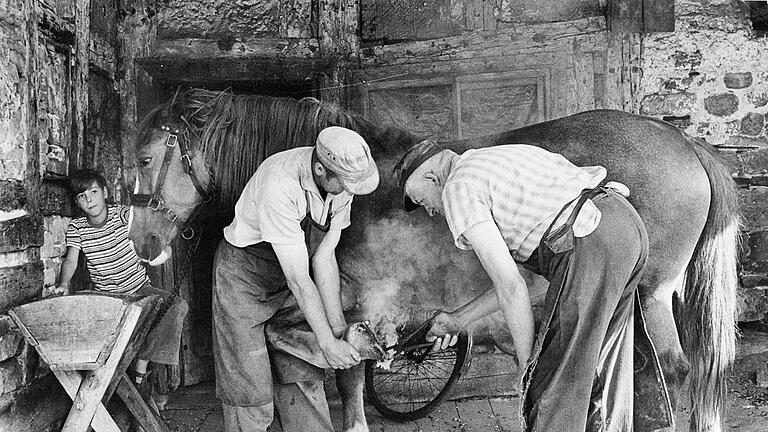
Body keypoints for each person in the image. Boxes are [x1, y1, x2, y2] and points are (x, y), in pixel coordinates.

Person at [393, 140, 670, 431]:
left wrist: (527, 366)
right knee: (605, 368)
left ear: (432, 178)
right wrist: (457, 320)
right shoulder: (490, 160)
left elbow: (511, 287)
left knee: (550, 387)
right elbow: (525, 281)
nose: (429, 211)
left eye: (422, 201)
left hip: (590, 241)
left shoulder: (456, 188)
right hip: (623, 225)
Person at [212, 126, 380, 432]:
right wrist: (327, 344)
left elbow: (324, 258)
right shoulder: (280, 184)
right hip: (245, 281)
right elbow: (301, 280)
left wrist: (338, 330)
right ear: (320, 168)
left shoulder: (341, 186)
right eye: (344, 183)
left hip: (289, 277)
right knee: (251, 398)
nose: (349, 191)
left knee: (302, 371)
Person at [55, 168, 189, 387]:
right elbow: (71, 259)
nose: (89, 200)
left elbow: (148, 227)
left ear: (105, 192)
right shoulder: (77, 228)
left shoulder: (123, 215)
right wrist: (63, 283)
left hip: (140, 289)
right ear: (77, 202)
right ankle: (128, 377)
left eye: (94, 192)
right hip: (109, 298)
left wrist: (163, 247)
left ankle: (143, 362)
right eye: (82, 197)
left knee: (178, 306)